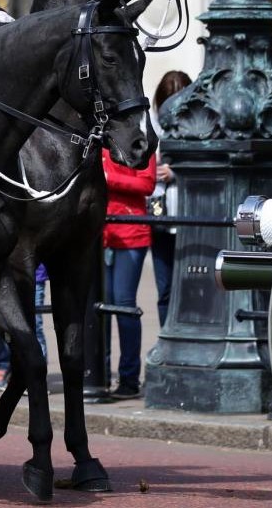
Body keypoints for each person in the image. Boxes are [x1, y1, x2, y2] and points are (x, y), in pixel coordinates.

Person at [101, 148, 156, 402]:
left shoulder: (140, 144)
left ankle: (129, 378)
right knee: (100, 308)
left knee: (124, 306)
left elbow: (147, 183)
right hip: (102, 232)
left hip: (130, 231)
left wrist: (108, 178)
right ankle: (100, 374)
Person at [147, 71, 191, 325]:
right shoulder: (151, 124)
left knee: (190, 285)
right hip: (158, 213)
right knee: (165, 289)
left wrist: (176, 172)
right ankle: (166, 333)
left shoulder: (197, 124)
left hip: (186, 214)